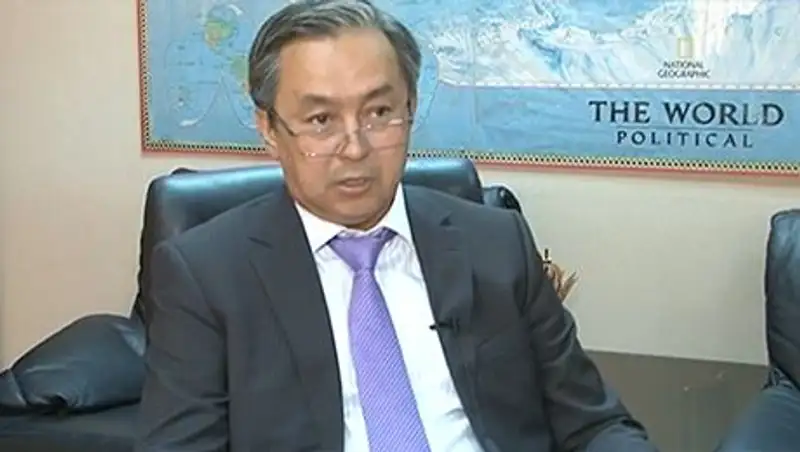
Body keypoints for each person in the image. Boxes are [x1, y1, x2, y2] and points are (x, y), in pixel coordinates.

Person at [135, 1, 658, 451]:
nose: (355, 147)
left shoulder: (497, 243)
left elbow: (595, 425)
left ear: (410, 109)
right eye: (321, 120)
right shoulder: (205, 275)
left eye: (380, 112)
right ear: (269, 129)